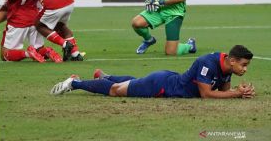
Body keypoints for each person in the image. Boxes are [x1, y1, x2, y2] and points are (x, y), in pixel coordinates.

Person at [51, 45, 256, 99]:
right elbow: (207, 94)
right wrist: (235, 93)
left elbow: (223, 90)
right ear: (231, 60)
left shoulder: (226, 66)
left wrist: (239, 91)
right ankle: (74, 83)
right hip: (161, 87)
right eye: (244, 65)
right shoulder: (207, 63)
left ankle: (104, 76)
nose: (245, 69)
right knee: (115, 90)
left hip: (167, 79)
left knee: (132, 82)